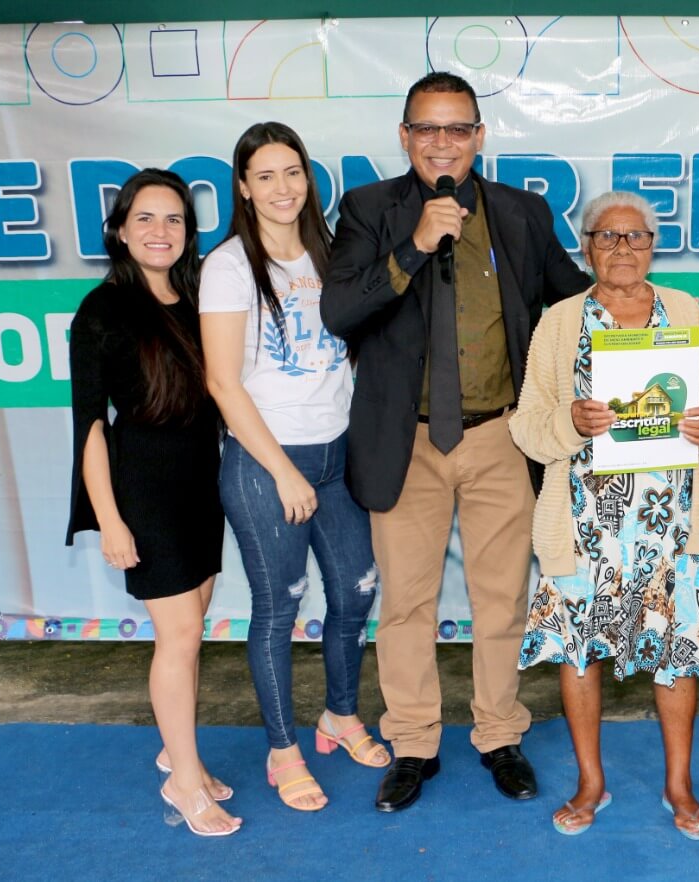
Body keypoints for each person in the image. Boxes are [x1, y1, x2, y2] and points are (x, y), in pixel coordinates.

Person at [321, 72, 590, 812]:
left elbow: (575, 301)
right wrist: (413, 247)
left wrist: (661, 323)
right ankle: (413, 742)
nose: (443, 142)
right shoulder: (370, 209)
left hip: (501, 435)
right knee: (406, 603)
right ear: (405, 136)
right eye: (427, 128)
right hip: (403, 442)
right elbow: (341, 311)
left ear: (479, 136)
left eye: (457, 128)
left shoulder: (521, 213)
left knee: (502, 598)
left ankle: (499, 732)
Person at [511, 191, 699, 839]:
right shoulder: (560, 322)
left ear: (653, 247)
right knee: (579, 651)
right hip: (585, 525)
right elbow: (528, 424)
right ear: (586, 248)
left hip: (674, 522)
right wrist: (569, 421)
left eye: (636, 237)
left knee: (677, 649)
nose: (622, 248)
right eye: (607, 237)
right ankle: (590, 783)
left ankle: (679, 786)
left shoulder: (686, 311)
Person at [200, 122, 387, 813]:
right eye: (265, 176)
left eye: (293, 172)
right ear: (244, 188)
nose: (282, 188)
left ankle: (339, 714)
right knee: (279, 608)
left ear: (308, 179)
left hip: (336, 457)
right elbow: (223, 382)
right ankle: (282, 750)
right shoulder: (228, 266)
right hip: (266, 463)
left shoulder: (329, 253)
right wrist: (281, 471)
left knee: (356, 593)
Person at [67, 169, 239, 837]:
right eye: (145, 217)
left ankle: (179, 753)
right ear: (120, 230)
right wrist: (111, 520)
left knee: (192, 633)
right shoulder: (101, 311)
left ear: (188, 234)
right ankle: (185, 782)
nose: (159, 231)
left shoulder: (198, 298)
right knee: (181, 635)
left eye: (174, 219)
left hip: (201, 482)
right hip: (142, 487)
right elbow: (89, 426)